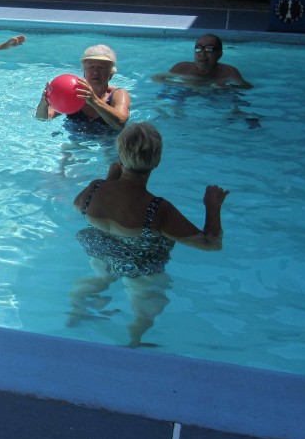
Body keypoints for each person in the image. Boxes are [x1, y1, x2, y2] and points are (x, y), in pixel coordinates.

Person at [69, 122, 229, 346]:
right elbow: (211, 244)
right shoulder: (156, 209)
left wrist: (109, 179)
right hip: (141, 263)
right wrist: (213, 205)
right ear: (156, 160)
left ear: (120, 155)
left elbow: (79, 207)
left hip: (102, 250)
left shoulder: (96, 188)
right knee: (149, 304)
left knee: (100, 278)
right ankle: (135, 339)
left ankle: (76, 309)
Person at [35, 44, 131, 131]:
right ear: (84, 71)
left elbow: (120, 124)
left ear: (111, 73)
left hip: (108, 144)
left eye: (101, 67)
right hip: (75, 143)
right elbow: (43, 119)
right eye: (90, 67)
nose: (95, 72)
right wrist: (44, 102)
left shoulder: (118, 94)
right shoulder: (73, 91)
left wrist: (94, 101)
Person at [153, 33, 252, 87]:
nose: (202, 54)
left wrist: (225, 88)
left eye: (209, 49)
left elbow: (246, 88)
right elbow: (156, 78)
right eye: (198, 48)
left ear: (219, 55)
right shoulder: (182, 68)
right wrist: (182, 84)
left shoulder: (229, 73)